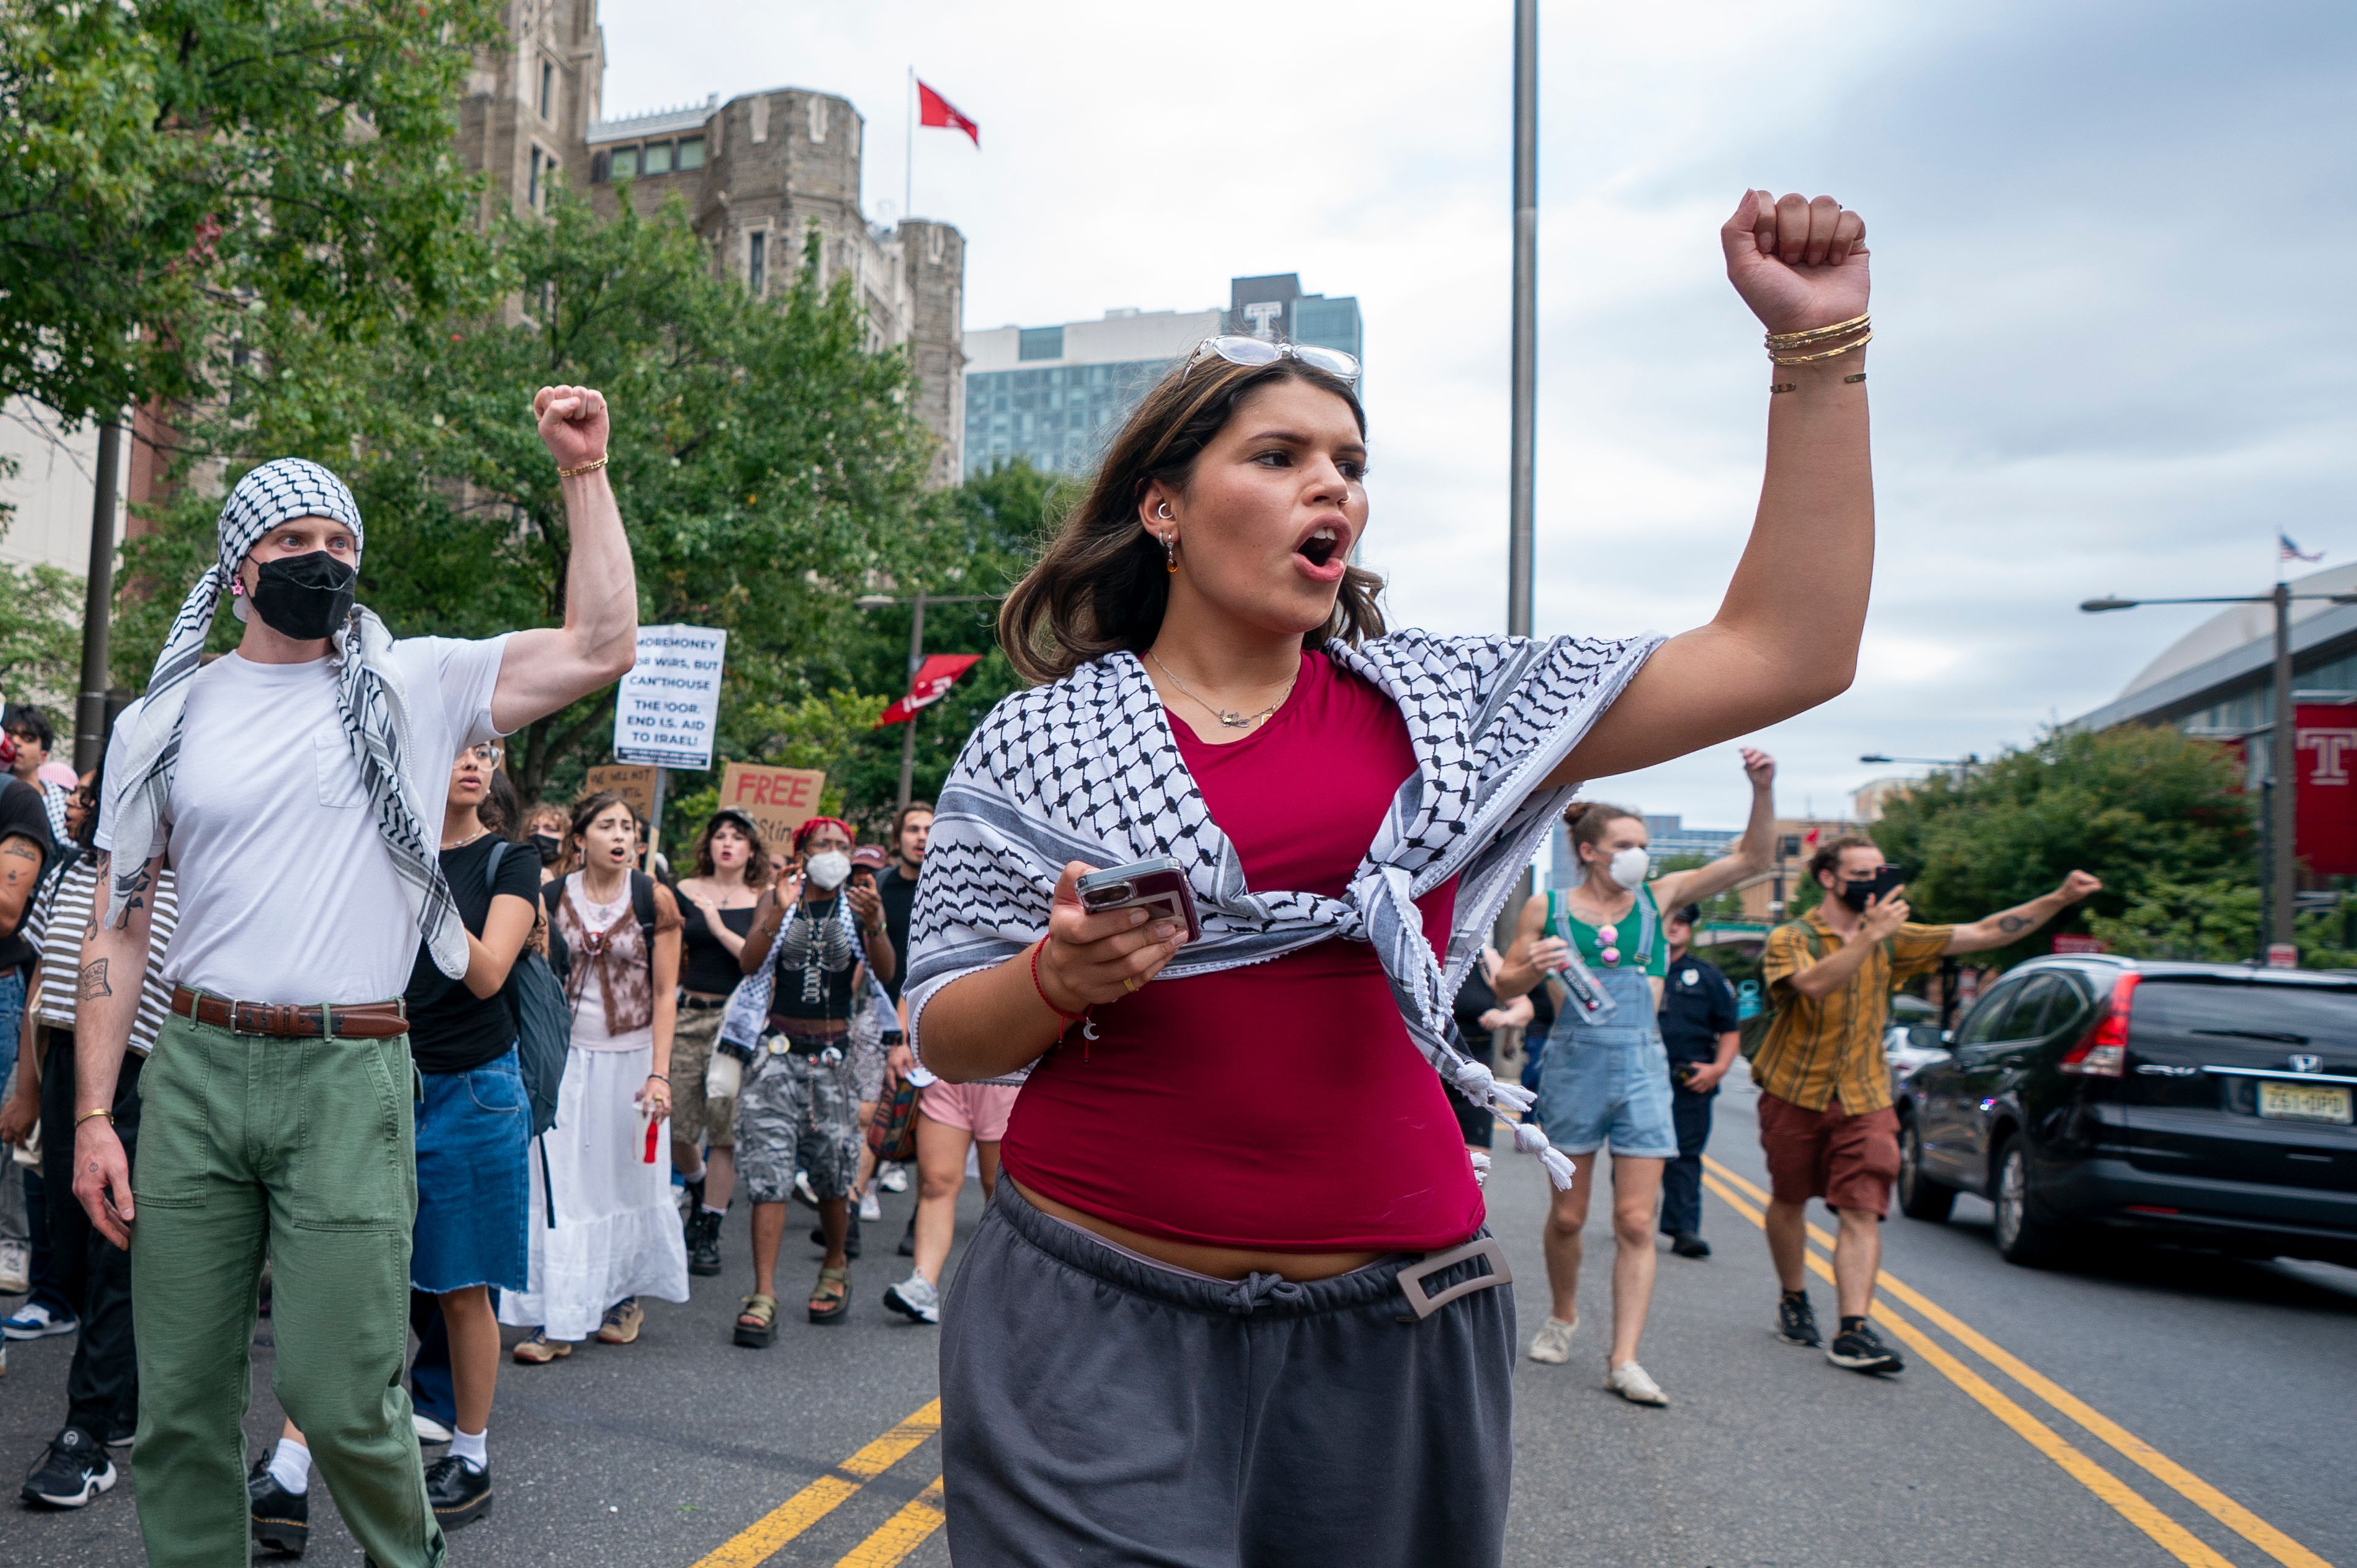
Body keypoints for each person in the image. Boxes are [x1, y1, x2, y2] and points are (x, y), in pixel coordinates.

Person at [908, 190, 1877, 1563]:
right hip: (1085, 1316)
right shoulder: (1042, 733)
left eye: (1351, 464)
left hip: (1392, 1324)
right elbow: (945, 1019)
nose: (1335, 487)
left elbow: (1792, 646)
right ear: (1166, 506)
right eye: (1283, 453)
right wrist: (1052, 979)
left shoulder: (1450, 710)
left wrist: (1821, 350)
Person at [73, 385, 638, 1568]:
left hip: (351, 1071)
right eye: (293, 541)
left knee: (342, 1396)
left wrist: (583, 475)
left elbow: (600, 646)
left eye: (340, 543)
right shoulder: (164, 722)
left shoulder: (414, 686)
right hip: (196, 1070)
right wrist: (90, 1116)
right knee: (178, 1405)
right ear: (239, 567)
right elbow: (120, 934)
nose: (321, 560)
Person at [247, 739, 542, 1546]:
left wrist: (416, 869)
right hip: (374, 1076)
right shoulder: (372, 845)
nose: (475, 763)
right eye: (459, 748)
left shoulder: (510, 861)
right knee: (342, 1273)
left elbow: (484, 972)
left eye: (488, 750)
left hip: (475, 1087)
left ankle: (472, 1455)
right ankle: (290, 1469)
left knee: (460, 1284)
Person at [1492, 749, 1776, 1405]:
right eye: (1626, 845)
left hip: (1644, 1065)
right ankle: (1564, 1316)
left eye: (1644, 845)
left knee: (1636, 1220)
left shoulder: (1659, 898)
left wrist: (1763, 790)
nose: (1640, 855)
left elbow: (1753, 861)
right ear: (1590, 850)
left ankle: (1624, 1358)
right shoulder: (1548, 906)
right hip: (1574, 1061)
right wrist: (1531, 966)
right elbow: (1506, 980)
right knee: (1568, 1215)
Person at [1752, 837, 2099, 1375]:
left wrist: (2057, 897)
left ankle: (1853, 1327)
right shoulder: (1791, 938)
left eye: (1881, 871)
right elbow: (1815, 985)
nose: (1877, 881)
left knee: (1863, 1207)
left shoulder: (1897, 939)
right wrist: (1870, 936)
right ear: (1829, 878)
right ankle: (1793, 1297)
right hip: (1794, 1090)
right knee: (1789, 1198)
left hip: (1867, 1093)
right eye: (1862, 873)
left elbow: (1985, 931)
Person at [7, 765, 178, 1510]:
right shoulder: (81, 867)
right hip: (67, 1062)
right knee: (70, 1249)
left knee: (117, 1251)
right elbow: (42, 978)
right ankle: (124, 1397)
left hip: (154, 1074)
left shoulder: (200, 873)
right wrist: (26, 1083)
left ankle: (88, 1431)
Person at [501, 792, 691, 1359]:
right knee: (563, 1186)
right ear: (579, 839)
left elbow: (665, 993)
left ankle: (623, 1297)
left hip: (631, 1061)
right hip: (563, 1058)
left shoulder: (654, 898)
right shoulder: (550, 897)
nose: (621, 835)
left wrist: (660, 1074)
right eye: (607, 825)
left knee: (623, 1178)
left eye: (628, 827)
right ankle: (558, 1317)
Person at [728, 815, 894, 1339]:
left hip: (835, 1060)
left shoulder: (861, 904)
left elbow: (886, 972)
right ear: (801, 851)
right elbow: (751, 963)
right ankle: (764, 1291)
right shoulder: (780, 899)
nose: (833, 851)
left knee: (833, 1172)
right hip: (777, 1053)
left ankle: (835, 1263)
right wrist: (776, 909)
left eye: (842, 845)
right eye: (823, 843)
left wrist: (877, 926)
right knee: (769, 1172)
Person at [671, 808, 768, 1274]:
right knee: (676, 1120)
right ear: (707, 845)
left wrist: (718, 926)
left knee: (723, 1125)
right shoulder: (684, 891)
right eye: (719, 835)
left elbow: (755, 960)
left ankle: (709, 1225)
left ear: (752, 849)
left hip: (735, 1023)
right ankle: (696, 1182)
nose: (727, 843)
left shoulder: (763, 898)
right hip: (687, 1013)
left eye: (737, 836)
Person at [1656, 903, 1741, 1259]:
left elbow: (1730, 1031)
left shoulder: (1707, 976)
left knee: (1685, 1155)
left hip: (1689, 1080)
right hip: (1641, 1076)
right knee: (1634, 1151)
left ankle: (1684, 1229)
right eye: (1670, 921)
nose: (1676, 928)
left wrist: (1718, 1070)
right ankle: (1633, 1216)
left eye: (1683, 922)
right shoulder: (1635, 970)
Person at [1449, 947, 1531, 1153]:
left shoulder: (1483, 957)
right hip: (1423, 1071)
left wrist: (1504, 1017)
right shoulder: (1414, 948)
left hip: (1474, 1074)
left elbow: (1524, 1008)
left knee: (1476, 1166)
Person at [3, 706, 69, 844]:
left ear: (43, 757)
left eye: (27, 738)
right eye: (9, 735)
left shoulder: (61, 802)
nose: (16, 742)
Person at [522, 800, 571, 882]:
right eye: (534, 829)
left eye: (550, 829)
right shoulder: (518, 871)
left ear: (566, 838)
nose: (539, 833)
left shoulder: (576, 878)